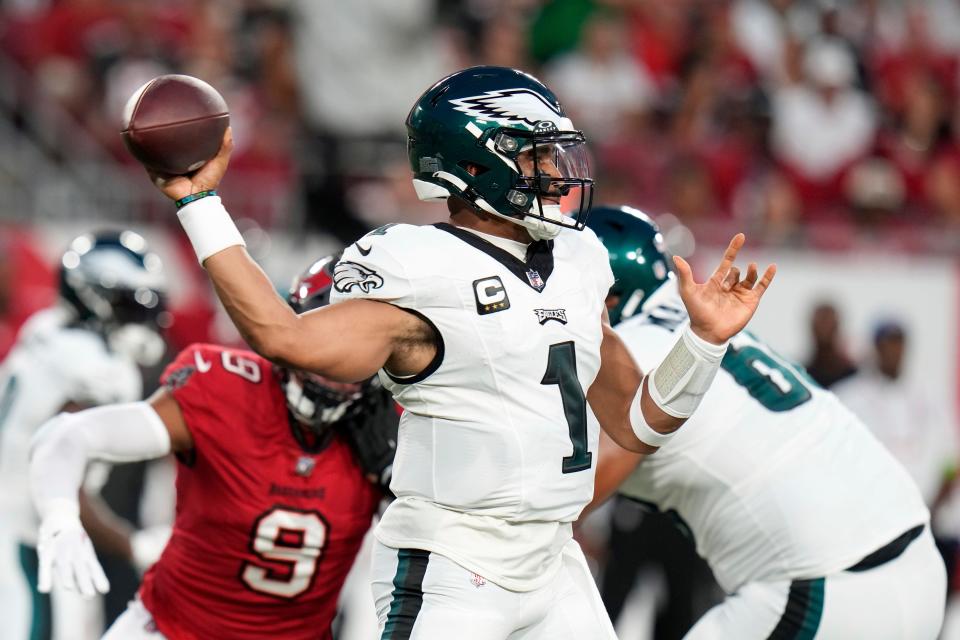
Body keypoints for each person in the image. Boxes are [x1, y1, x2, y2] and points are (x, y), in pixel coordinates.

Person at [144, 66, 775, 638]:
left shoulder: (579, 260)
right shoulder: (420, 268)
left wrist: (702, 343)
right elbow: (286, 337)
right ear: (475, 167)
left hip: (554, 562)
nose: (556, 170)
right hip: (454, 566)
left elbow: (637, 423)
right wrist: (200, 206)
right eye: (534, 156)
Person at [587, 205, 947, 639]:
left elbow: (565, 501)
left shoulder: (630, 346)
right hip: (914, 562)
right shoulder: (698, 324)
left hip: (824, 586)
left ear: (606, 295)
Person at [29, 254, 398, 639]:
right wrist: (61, 516)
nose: (329, 366)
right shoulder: (225, 388)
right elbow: (68, 435)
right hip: (170, 628)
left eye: (347, 351)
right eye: (317, 341)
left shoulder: (393, 428)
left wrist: (399, 477)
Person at [0, 230, 169, 640]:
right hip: (28, 542)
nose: (143, 319)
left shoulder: (47, 331)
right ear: (93, 298)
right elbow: (61, 475)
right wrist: (135, 547)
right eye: (130, 305)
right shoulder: (95, 368)